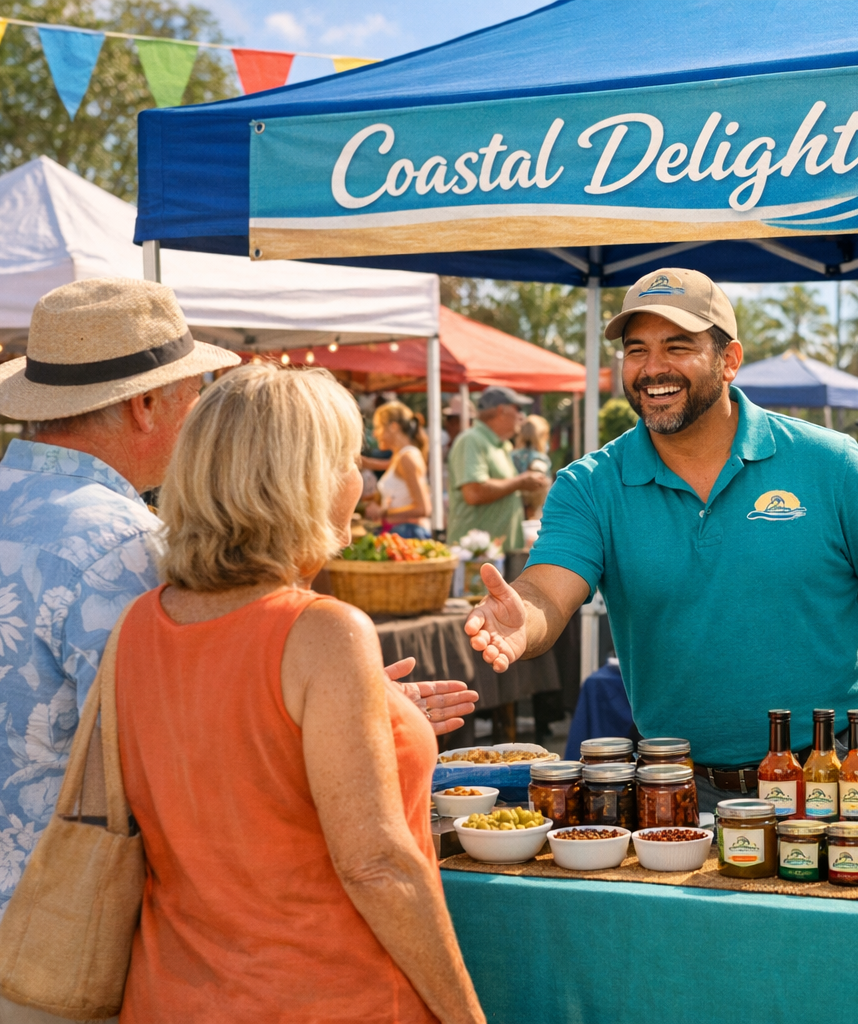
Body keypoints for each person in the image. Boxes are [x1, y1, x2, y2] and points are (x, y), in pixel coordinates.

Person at [0, 281, 476, 1022]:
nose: (197, 410)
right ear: (146, 404)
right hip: (86, 958)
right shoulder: (131, 550)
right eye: (192, 391)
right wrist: (350, 725)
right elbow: (225, 768)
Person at [462, 267, 858, 815]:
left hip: (841, 771)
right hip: (681, 786)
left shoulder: (831, 462)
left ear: (729, 361)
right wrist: (522, 619)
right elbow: (547, 590)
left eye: (677, 346)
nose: (652, 368)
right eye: (637, 350)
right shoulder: (590, 485)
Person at [115, 364, 484, 1024]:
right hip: (325, 996)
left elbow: (234, 761)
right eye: (347, 460)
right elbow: (378, 866)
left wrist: (374, 714)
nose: (362, 481)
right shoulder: (322, 629)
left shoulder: (142, 619)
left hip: (175, 990)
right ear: (303, 481)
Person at [447, 387, 549, 550]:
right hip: (475, 557)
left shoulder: (504, 445)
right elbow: (473, 492)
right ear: (501, 410)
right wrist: (521, 482)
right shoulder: (471, 440)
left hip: (497, 553)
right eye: (518, 409)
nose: (521, 416)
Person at [366, 400, 433, 539]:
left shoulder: (406, 458)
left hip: (408, 534)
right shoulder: (401, 456)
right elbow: (380, 465)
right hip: (403, 532)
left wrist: (382, 512)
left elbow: (423, 508)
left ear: (394, 427)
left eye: (378, 427)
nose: (375, 434)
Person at [513, 414, 553, 520]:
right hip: (532, 514)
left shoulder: (511, 455)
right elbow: (537, 491)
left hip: (512, 511)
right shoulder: (540, 459)